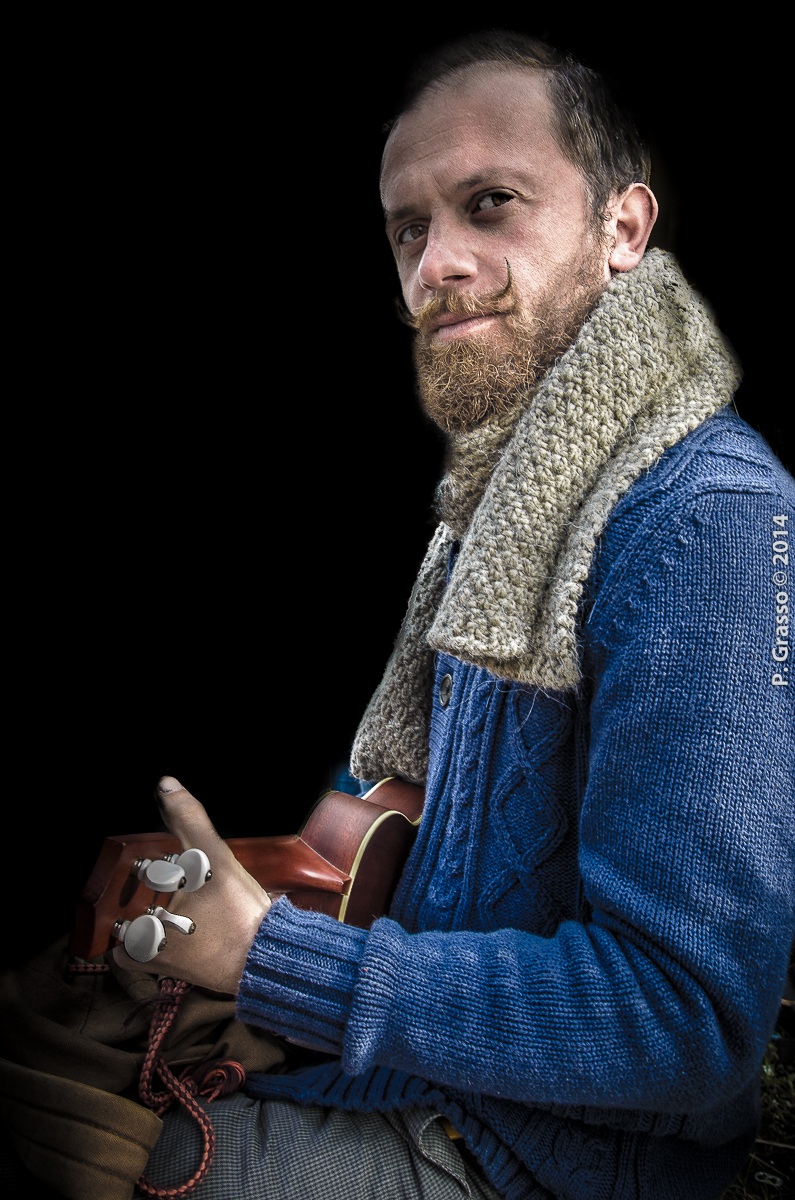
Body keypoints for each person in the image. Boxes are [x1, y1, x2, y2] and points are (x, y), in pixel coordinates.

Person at [5, 27, 794, 1200]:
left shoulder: (704, 515)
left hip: (526, 1162)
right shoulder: (496, 495)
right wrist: (249, 894)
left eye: (491, 204)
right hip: (389, 1079)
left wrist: (275, 959)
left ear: (625, 228)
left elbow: (684, 1021)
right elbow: (396, 835)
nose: (439, 263)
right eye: (409, 228)